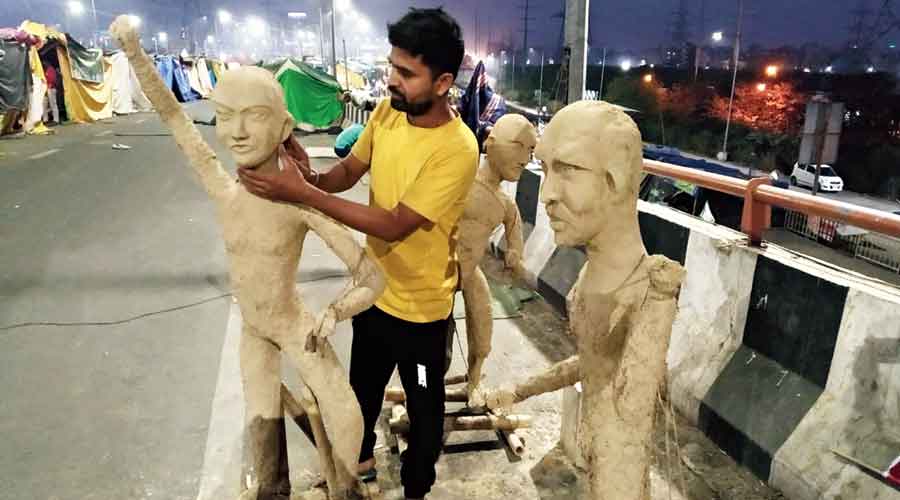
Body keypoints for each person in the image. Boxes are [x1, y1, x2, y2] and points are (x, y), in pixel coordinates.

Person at [238, 7, 477, 500]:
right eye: (392, 66)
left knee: (425, 408)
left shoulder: (458, 148)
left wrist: (303, 195)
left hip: (422, 314)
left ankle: (416, 487)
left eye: (406, 73)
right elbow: (350, 169)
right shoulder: (390, 111)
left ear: (443, 81)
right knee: (359, 395)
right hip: (374, 297)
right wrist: (312, 177)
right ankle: (358, 462)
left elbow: (395, 223)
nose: (392, 80)